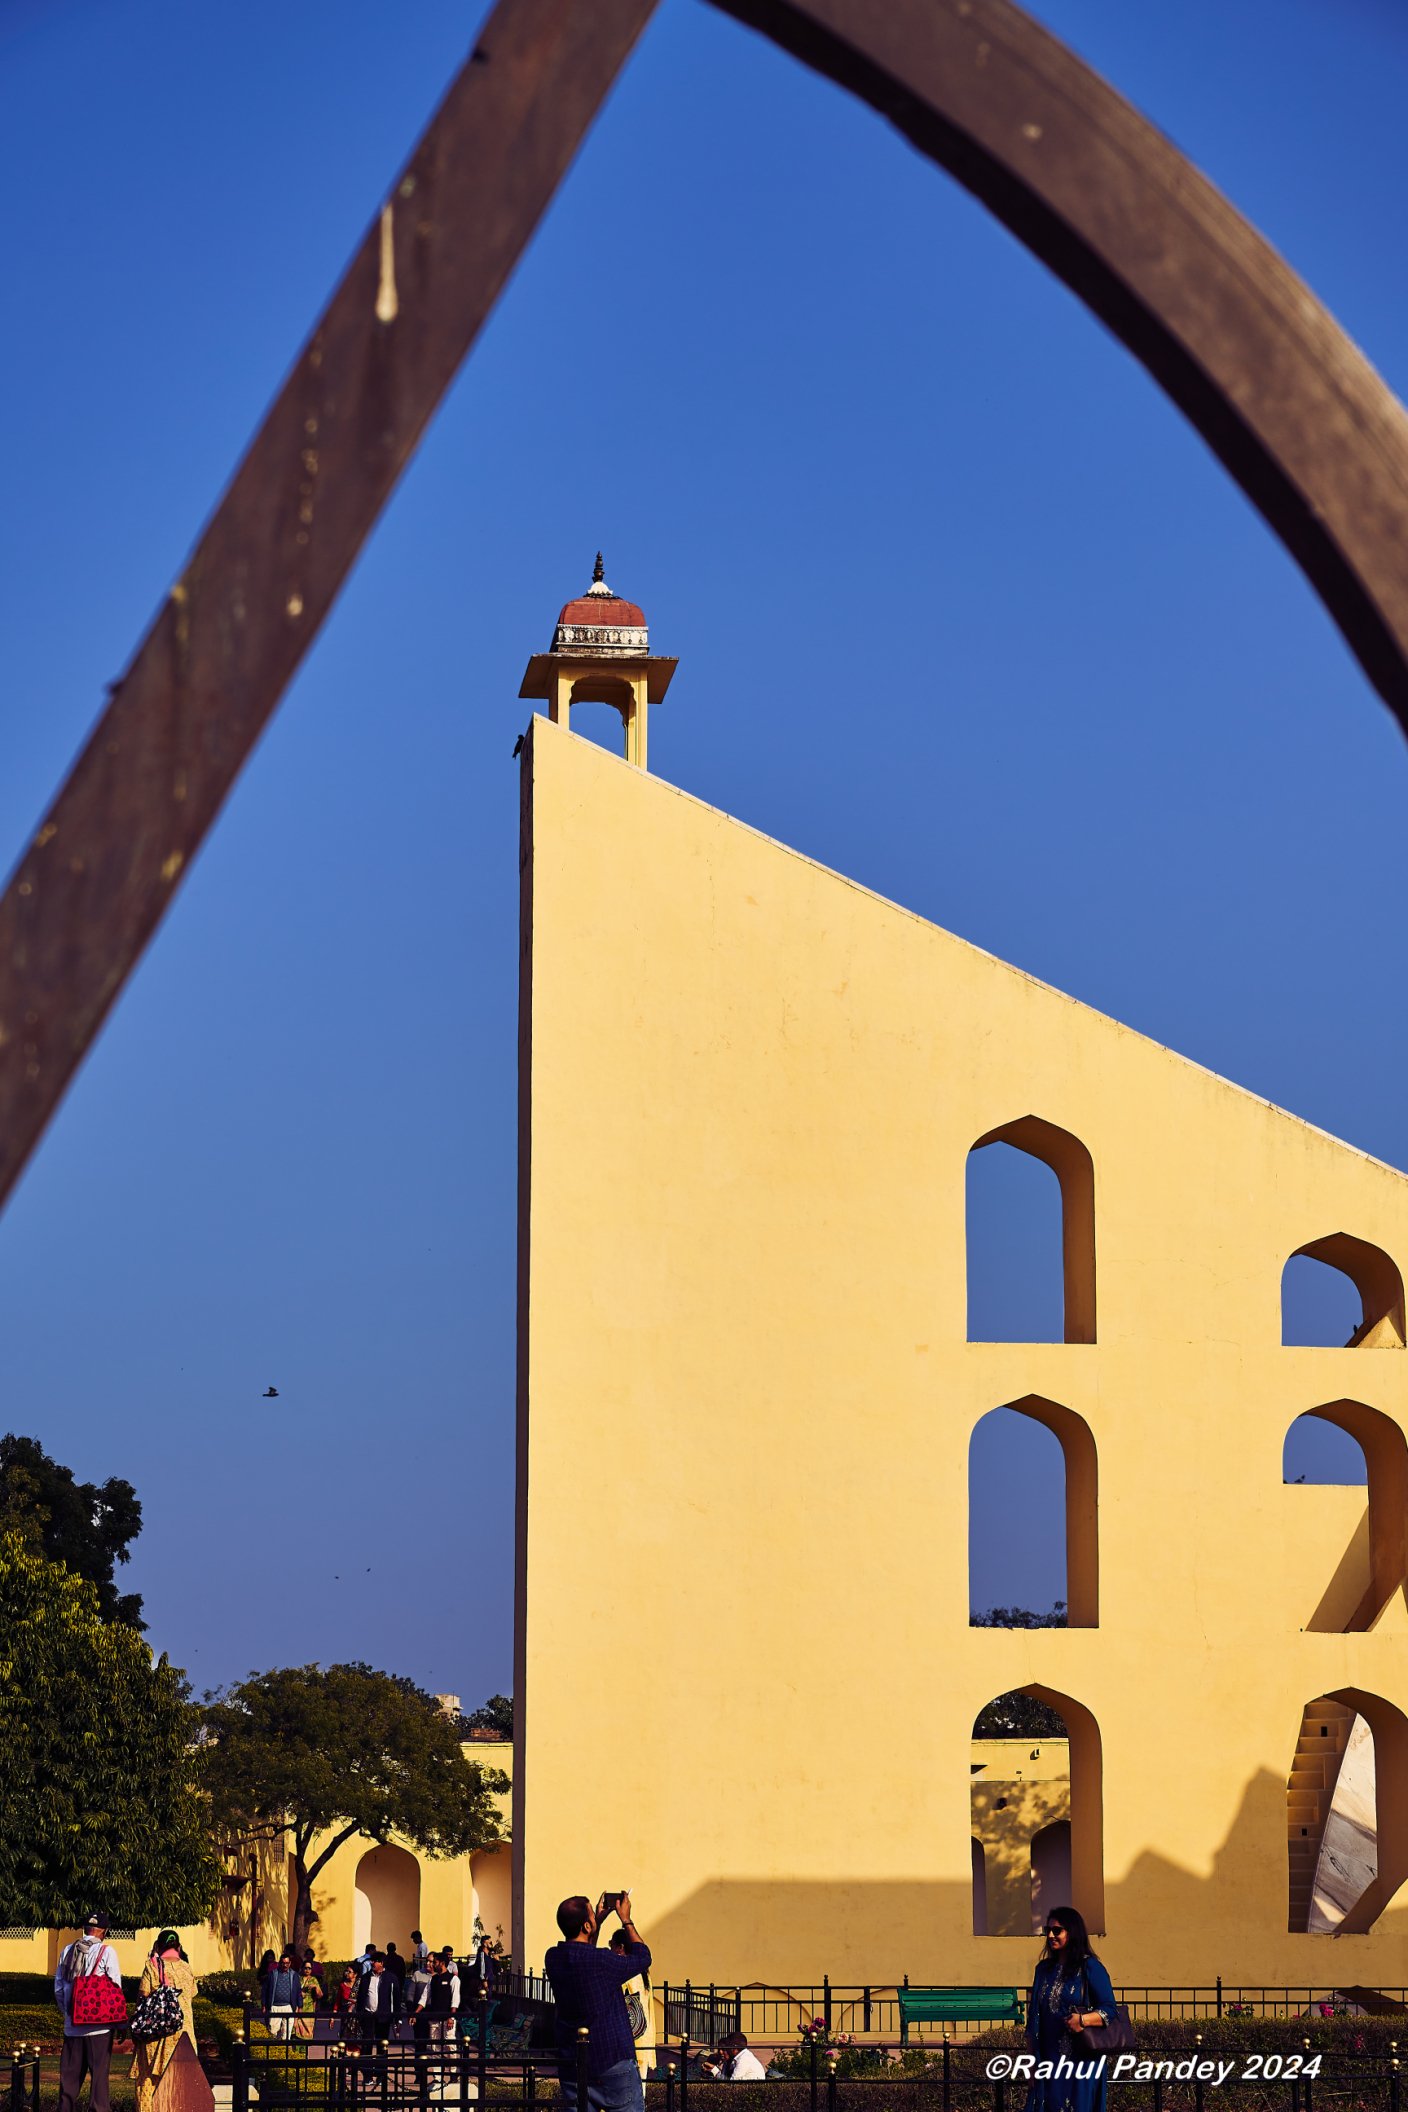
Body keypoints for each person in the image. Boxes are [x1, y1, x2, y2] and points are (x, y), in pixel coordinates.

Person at [545, 1892, 652, 2112]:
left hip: (573, 2062)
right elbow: (643, 1957)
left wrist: (598, 1921)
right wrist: (626, 1919)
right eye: (592, 1914)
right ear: (585, 1926)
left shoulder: (553, 1957)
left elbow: (582, 1952)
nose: (595, 1916)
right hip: (612, 2059)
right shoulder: (602, 1960)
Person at [1024, 1907, 1116, 2112]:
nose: (1050, 1935)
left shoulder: (1090, 1967)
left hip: (1080, 2061)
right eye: (1048, 1929)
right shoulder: (1043, 1970)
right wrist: (1030, 2063)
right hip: (1047, 2059)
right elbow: (1034, 2018)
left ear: (1072, 1932)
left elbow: (1110, 2009)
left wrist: (1083, 2020)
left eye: (1057, 1931)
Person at [55, 1912, 123, 2112]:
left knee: (69, 2080)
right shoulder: (106, 1952)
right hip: (99, 2028)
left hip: (73, 2027)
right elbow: (115, 1988)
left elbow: (59, 1988)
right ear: (104, 1931)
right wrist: (119, 2023)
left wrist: (69, 2013)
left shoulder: (67, 1951)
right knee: (99, 2082)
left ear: (84, 1929)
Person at [131, 1932, 197, 2112]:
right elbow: (191, 1993)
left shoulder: (152, 1966)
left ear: (157, 1946)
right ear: (179, 1947)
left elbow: (143, 1996)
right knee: (181, 2082)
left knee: (149, 2081)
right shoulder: (187, 1968)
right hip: (184, 2033)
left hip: (157, 2033)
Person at [607, 1930, 654, 2080]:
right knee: (640, 2089)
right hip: (644, 2035)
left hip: (626, 2041)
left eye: (611, 1945)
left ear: (620, 1947)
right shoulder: (644, 1973)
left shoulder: (624, 1972)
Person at [354, 1953, 400, 2083]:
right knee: (366, 2047)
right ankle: (367, 2076)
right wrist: (360, 2014)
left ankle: (381, 2075)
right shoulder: (366, 1977)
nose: (373, 1963)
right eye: (372, 1961)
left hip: (383, 2018)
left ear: (382, 1963)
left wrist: (397, 2020)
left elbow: (396, 2000)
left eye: (375, 1961)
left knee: (382, 2046)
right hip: (368, 2016)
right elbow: (360, 1998)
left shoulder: (391, 1978)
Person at [263, 1950, 303, 2042]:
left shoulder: (294, 1975)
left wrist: (300, 2006)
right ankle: (273, 2053)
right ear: (279, 1963)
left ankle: (285, 2053)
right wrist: (264, 2005)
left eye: (287, 1963)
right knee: (272, 2032)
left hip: (289, 2007)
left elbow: (298, 1992)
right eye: (283, 1963)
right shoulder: (273, 1974)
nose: (285, 1965)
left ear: (290, 1963)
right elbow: (265, 1990)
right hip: (274, 2006)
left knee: (286, 2034)